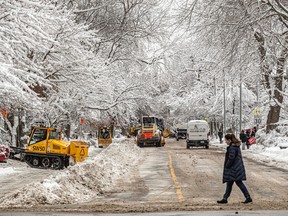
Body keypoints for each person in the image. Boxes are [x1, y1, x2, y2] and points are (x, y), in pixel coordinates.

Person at [217, 133, 252, 204]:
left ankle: (248, 197)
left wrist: (227, 165)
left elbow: (231, 157)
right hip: (236, 168)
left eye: (226, 140)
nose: (225, 142)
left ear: (229, 140)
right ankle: (225, 198)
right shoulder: (235, 146)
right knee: (230, 183)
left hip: (234, 169)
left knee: (238, 182)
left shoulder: (232, 147)